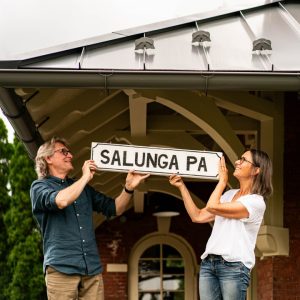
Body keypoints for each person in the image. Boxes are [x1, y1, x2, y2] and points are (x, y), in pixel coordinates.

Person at [30, 137, 150, 300]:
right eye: (63, 151)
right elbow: (62, 200)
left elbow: (116, 208)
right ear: (48, 158)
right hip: (61, 267)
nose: (70, 155)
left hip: (91, 269)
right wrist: (85, 177)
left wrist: (128, 188)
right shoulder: (39, 187)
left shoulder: (83, 189)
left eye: (69, 152)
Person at [169, 149, 272, 300]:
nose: (237, 162)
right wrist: (181, 186)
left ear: (256, 170)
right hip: (209, 264)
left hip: (234, 266)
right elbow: (197, 216)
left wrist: (222, 181)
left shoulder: (256, 202)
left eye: (243, 160)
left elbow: (212, 207)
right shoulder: (229, 195)